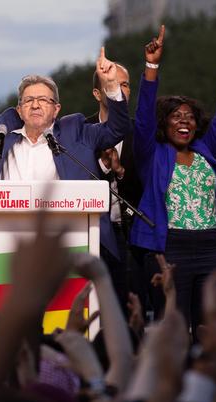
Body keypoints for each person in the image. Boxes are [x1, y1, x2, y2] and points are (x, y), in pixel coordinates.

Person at [0, 23, 130, 261]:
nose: (35, 105)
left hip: (68, 241)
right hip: (3, 241)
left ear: (56, 109)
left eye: (43, 100)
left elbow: (118, 128)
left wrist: (111, 87)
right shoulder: (2, 130)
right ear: (19, 109)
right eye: (28, 100)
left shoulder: (77, 131)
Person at [130, 25, 216, 333]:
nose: (184, 121)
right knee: (175, 326)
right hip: (169, 248)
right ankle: (174, 380)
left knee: (213, 327)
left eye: (190, 117)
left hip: (211, 247)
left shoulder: (206, 149)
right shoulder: (151, 154)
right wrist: (152, 66)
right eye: (176, 116)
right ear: (164, 123)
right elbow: (142, 118)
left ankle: (211, 381)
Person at [86, 63, 144, 315]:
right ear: (98, 94)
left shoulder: (140, 131)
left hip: (133, 238)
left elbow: (148, 182)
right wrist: (102, 167)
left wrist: (120, 172)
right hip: (93, 234)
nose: (119, 91)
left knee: (133, 310)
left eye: (124, 85)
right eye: (111, 85)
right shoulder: (82, 132)